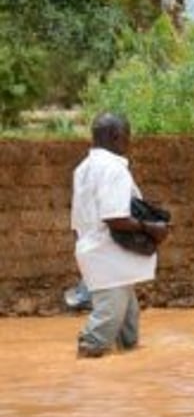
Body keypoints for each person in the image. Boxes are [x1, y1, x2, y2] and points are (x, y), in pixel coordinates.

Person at [70, 113, 169, 357]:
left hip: (98, 253)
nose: (129, 142)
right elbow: (115, 217)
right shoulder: (113, 169)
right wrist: (151, 228)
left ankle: (125, 374)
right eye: (127, 136)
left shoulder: (84, 168)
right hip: (108, 257)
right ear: (116, 136)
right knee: (102, 329)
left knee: (128, 323)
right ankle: (88, 373)